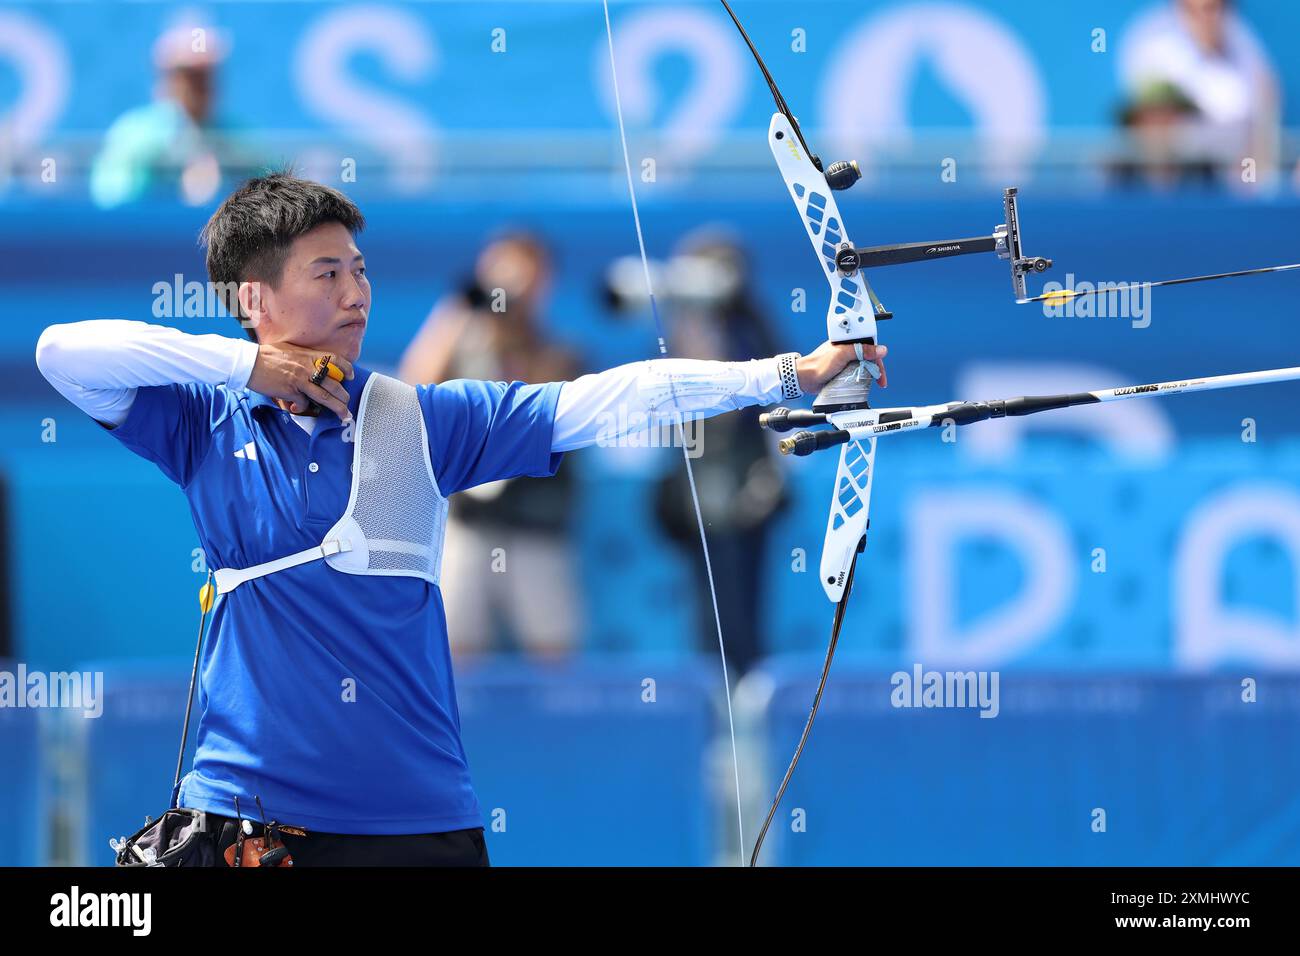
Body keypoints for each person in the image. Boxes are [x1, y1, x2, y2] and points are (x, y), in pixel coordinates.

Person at [34, 172, 884, 866]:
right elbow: (61, 352)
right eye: (326, 273)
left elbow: (601, 401)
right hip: (248, 817)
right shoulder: (204, 423)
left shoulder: (420, 419)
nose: (355, 292)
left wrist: (785, 372)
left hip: (417, 821)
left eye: (359, 269)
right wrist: (251, 366)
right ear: (253, 296)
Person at [398, 233, 583, 661]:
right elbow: (411, 389)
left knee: (553, 651)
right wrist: (460, 309)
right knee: (453, 650)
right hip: (465, 520)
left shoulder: (560, 352)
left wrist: (509, 327)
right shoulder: (461, 348)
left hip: (537, 523)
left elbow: (532, 409)